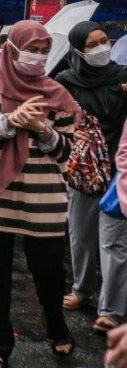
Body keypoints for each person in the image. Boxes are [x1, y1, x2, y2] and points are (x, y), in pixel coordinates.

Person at [0, 20, 80, 368]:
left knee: (49, 271)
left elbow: (68, 150)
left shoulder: (57, 94)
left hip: (44, 199)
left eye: (44, 52)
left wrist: (41, 129)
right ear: (12, 50)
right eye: (32, 50)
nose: (38, 57)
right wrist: (10, 121)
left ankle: (55, 323)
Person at [55, 21, 127, 333]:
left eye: (105, 41)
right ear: (78, 50)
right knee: (81, 234)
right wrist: (70, 131)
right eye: (92, 44)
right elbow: (52, 117)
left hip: (120, 169)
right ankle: (81, 290)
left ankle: (110, 310)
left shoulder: (122, 76)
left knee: (113, 242)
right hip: (84, 168)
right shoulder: (65, 80)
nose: (102, 48)